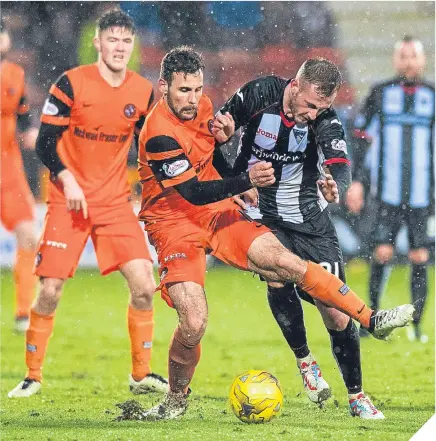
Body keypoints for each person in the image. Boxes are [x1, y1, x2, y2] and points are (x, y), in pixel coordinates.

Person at [117, 46, 414, 421]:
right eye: (183, 91)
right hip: (174, 226)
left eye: (197, 89)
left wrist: (229, 161)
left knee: (281, 263)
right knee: (194, 323)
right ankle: (175, 400)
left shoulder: (207, 108)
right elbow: (191, 192)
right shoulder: (158, 134)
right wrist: (243, 180)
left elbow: (216, 162)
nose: (193, 99)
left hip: (222, 213)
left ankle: (372, 319)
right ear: (163, 87)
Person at [212, 57, 385, 419]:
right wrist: (235, 180)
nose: (314, 113)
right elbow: (219, 142)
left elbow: (340, 163)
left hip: (309, 218)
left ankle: (357, 396)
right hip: (262, 214)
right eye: (309, 105)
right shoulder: (258, 93)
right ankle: (305, 361)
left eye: (322, 107)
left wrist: (334, 187)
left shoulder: (325, 116)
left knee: (336, 313)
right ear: (295, 85)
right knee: (278, 277)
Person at [8, 9, 167, 399]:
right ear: (97, 43)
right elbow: (45, 143)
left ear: (132, 47)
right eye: (112, 40)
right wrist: (68, 180)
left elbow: (151, 145)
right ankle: (33, 374)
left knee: (145, 285)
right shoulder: (71, 84)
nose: (119, 47)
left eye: (125, 42)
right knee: (50, 291)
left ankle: (140, 373)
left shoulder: (142, 91)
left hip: (114, 203)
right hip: (69, 201)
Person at [346, 36, 434, 343]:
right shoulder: (381, 94)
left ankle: (416, 326)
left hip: (423, 197)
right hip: (387, 194)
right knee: (381, 253)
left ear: (422, 61)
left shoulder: (432, 95)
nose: (408, 61)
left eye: (413, 56)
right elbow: (359, 138)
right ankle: (371, 320)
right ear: (395, 60)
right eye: (403, 56)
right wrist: (356, 180)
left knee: (419, 255)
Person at [0, 18, 39, 334]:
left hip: (8, 170)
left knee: (28, 235)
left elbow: (24, 116)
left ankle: (23, 312)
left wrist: (33, 132)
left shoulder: (15, 75)